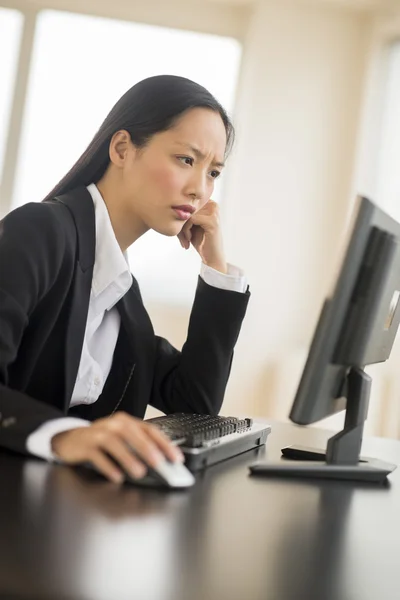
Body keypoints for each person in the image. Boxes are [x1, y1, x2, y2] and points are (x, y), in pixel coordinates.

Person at [0, 75, 250, 484]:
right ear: (121, 149)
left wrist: (217, 269)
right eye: (186, 160)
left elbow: (196, 405)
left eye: (213, 173)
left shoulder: (121, 293)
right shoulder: (41, 231)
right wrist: (64, 436)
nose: (199, 190)